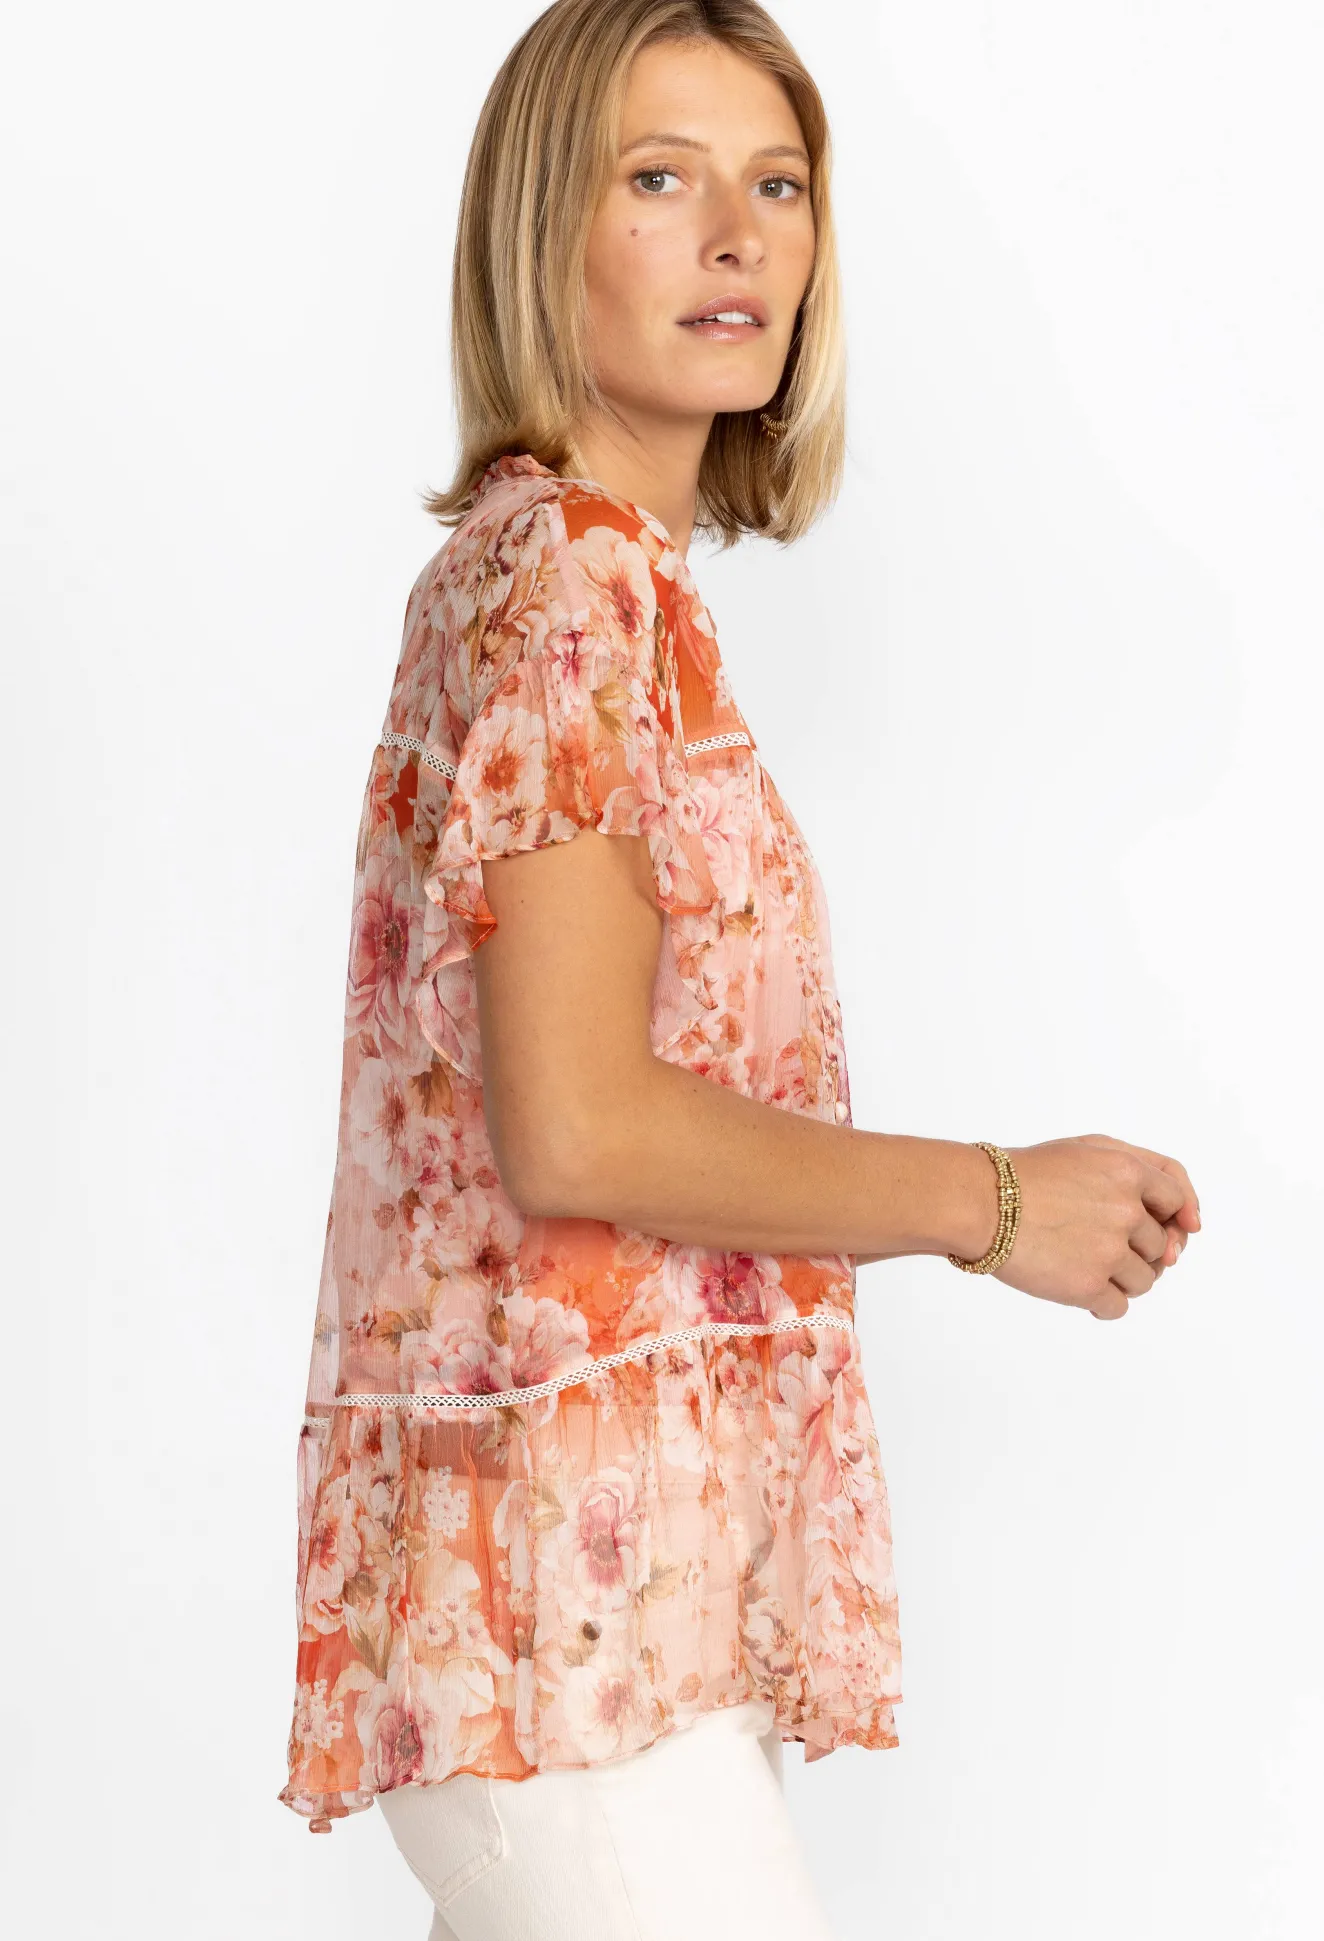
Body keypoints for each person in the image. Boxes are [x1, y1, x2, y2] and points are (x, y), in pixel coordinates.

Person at [277, 3, 1201, 1935]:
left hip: (591, 1619)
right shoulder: (567, 585)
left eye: (778, 185)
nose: (737, 238)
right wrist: (996, 1203)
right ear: (545, 228)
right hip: (567, 1641)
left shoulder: (589, 584)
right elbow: (579, 1127)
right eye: (660, 178)